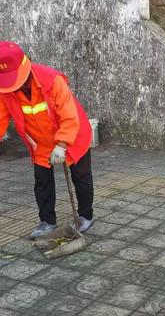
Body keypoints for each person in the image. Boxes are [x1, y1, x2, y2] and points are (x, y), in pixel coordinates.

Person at [0, 41, 94, 238]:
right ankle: (47, 221)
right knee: (42, 181)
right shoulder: (5, 90)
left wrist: (61, 144)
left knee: (81, 176)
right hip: (40, 141)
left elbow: (69, 115)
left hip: (73, 134)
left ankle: (85, 216)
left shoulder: (51, 80)